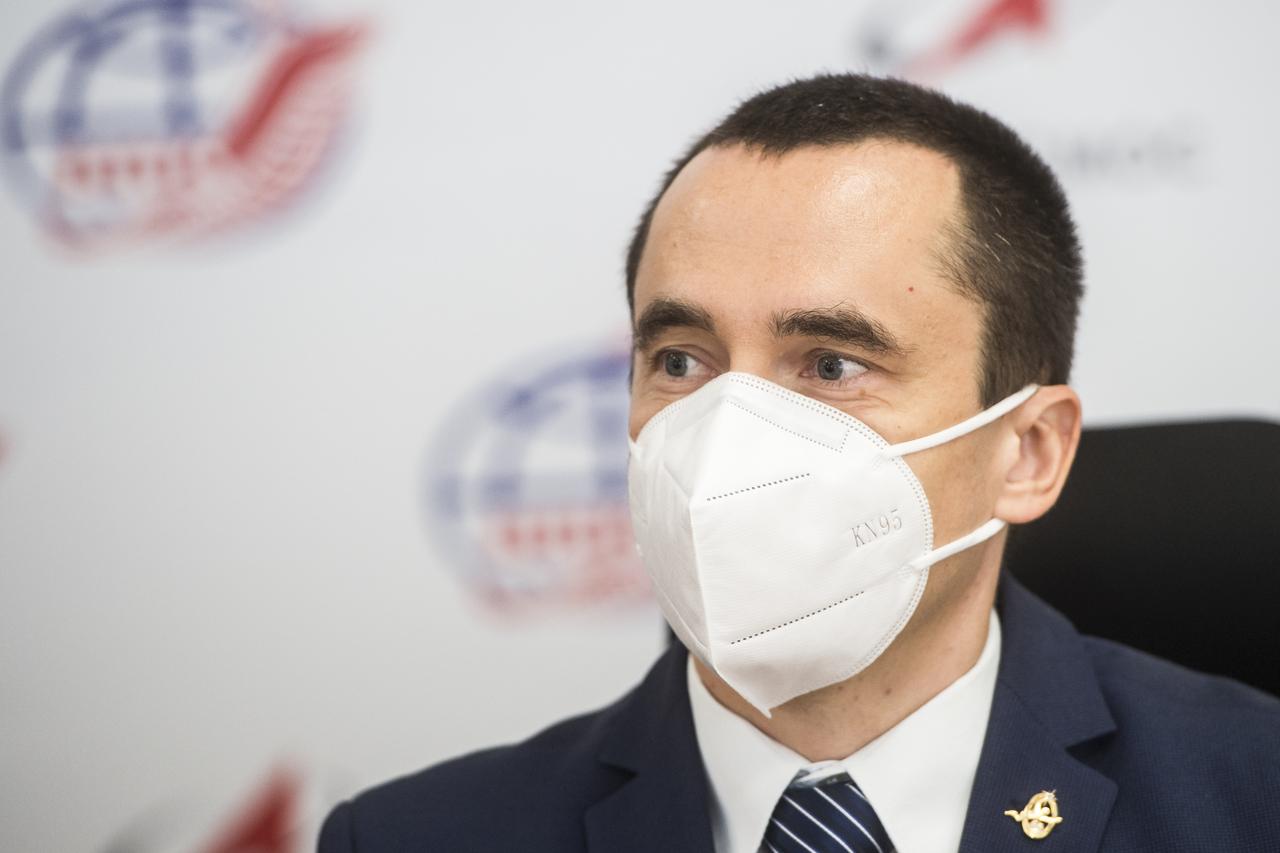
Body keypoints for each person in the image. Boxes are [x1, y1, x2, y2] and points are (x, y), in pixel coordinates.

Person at [318, 74, 1280, 853]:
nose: (729, 430)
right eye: (681, 360)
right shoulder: (415, 835)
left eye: (832, 364)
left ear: (1026, 452)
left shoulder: (1253, 794)